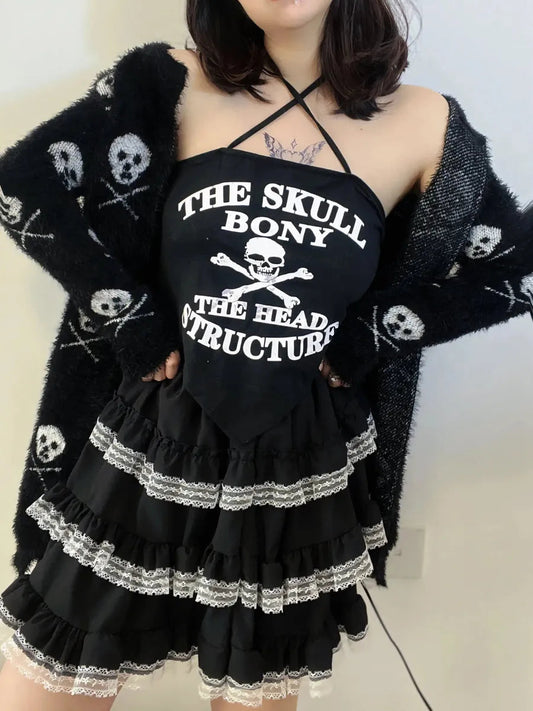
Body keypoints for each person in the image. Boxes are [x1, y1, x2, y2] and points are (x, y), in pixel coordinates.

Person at [0, 0, 488, 709]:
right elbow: (21, 182)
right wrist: (126, 313)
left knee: (255, 684)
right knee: (49, 675)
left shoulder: (425, 122)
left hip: (297, 461)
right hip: (150, 441)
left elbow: (513, 266)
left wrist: (376, 333)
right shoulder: (163, 82)